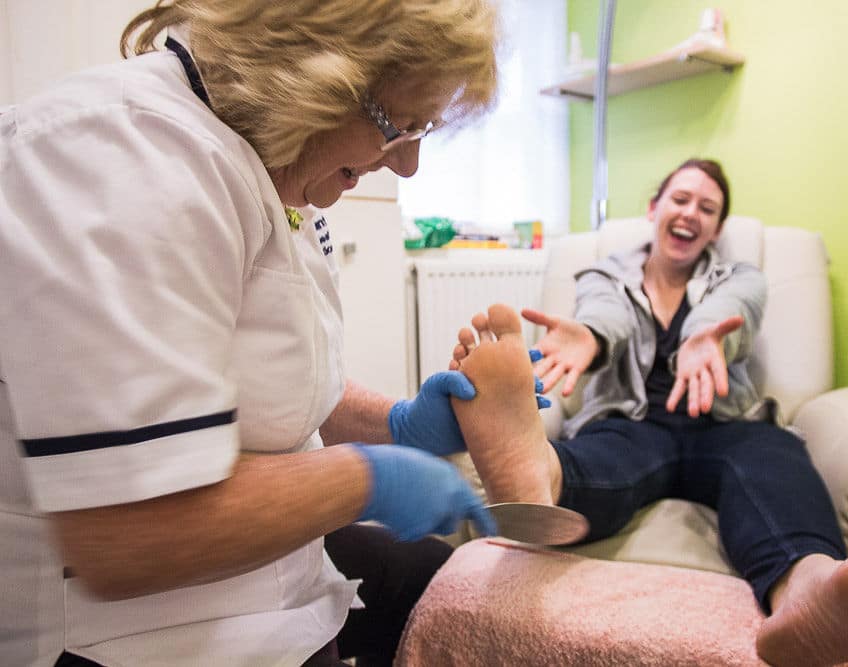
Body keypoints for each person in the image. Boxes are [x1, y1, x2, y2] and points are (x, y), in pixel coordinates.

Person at [0, 1, 506, 666]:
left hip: (271, 582)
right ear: (315, 69)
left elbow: (266, 384)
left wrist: (400, 422)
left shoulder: (274, 168)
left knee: (446, 585)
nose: (407, 164)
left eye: (423, 129)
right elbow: (129, 534)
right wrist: (365, 478)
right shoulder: (121, 154)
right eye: (398, 126)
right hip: (131, 634)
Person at [446, 159, 848, 666]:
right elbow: (607, 314)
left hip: (725, 424)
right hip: (635, 424)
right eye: (681, 199)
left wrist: (704, 338)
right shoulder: (603, 273)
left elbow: (734, 309)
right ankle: (536, 478)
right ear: (655, 209)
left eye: (707, 208)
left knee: (772, 459)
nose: (691, 213)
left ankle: (813, 596)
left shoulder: (741, 276)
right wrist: (591, 336)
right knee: (601, 458)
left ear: (716, 227)